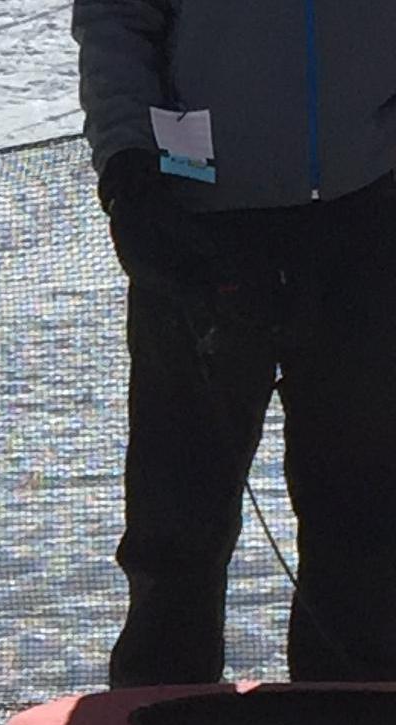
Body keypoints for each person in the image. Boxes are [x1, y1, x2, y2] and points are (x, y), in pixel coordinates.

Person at [74, 0, 396, 685]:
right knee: (178, 514)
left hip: (365, 220)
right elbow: (116, 19)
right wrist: (130, 174)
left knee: (363, 513)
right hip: (197, 230)